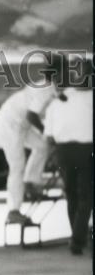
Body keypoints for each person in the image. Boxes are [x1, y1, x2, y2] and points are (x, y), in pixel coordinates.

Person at [0, 61, 60, 227]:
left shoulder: (49, 86)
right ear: (58, 75)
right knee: (17, 166)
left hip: (21, 124)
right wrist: (47, 132)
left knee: (42, 146)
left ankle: (30, 182)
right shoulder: (46, 89)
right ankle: (13, 211)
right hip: (10, 123)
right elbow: (32, 116)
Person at [44, 57, 93, 255]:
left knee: (72, 195)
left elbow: (49, 136)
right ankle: (77, 239)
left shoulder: (59, 99)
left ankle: (76, 238)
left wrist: (52, 157)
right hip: (85, 151)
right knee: (86, 197)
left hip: (63, 153)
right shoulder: (90, 98)